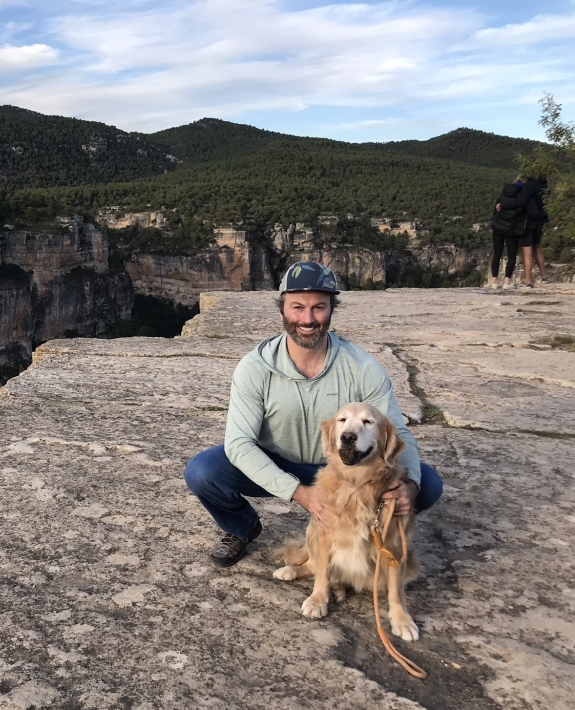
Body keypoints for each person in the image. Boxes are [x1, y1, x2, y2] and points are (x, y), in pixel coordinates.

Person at [184, 261, 444, 567]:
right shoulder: (255, 368)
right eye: (297, 307)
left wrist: (410, 486)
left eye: (318, 308)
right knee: (203, 472)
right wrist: (300, 493)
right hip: (277, 461)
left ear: (331, 310)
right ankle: (242, 527)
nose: (307, 319)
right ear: (281, 311)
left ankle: (360, 530)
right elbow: (239, 444)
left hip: (343, 468)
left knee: (426, 485)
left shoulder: (361, 367)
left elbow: (397, 432)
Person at [489, 178, 530, 290]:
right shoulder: (522, 197)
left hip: (497, 226)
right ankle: (507, 282)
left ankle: (494, 281)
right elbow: (520, 213)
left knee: (497, 253)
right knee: (511, 256)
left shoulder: (503, 194)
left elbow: (495, 209)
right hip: (511, 229)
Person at [521, 176, 551, 286]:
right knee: (537, 247)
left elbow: (523, 202)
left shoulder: (528, 186)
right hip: (541, 220)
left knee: (527, 250)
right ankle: (544, 276)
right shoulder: (544, 186)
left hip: (529, 222)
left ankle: (527, 280)